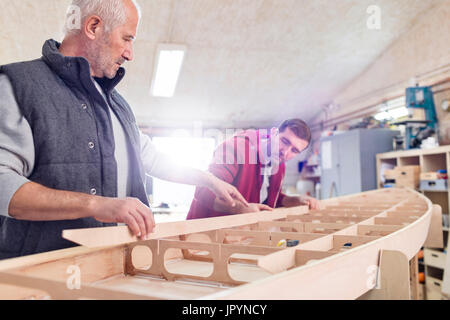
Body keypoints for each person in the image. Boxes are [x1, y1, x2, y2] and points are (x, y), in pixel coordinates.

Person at [0, 0, 247, 259]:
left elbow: (150, 157)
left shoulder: (117, 104)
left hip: (109, 266)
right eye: (127, 38)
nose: (130, 53)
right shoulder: (19, 86)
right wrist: (96, 205)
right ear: (93, 26)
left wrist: (208, 180)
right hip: (38, 274)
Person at [187, 119, 320, 220]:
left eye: (294, 150)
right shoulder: (236, 148)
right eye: (284, 141)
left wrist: (295, 200)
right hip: (203, 235)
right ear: (274, 133)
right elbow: (203, 192)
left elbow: (270, 200)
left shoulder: (279, 163)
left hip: (238, 237)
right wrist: (240, 209)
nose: (285, 153)